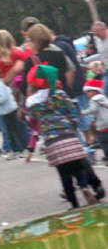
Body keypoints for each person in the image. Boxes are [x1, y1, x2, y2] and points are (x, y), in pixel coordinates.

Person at [26, 64, 96, 208]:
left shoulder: (33, 102)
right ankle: (84, 186)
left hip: (52, 140)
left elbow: (32, 119)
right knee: (79, 166)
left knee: (64, 173)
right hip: (68, 135)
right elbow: (73, 113)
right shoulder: (60, 95)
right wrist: (72, 126)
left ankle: (74, 203)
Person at [82, 78, 108, 165]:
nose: (87, 94)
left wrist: (83, 112)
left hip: (103, 125)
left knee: (104, 142)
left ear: (95, 91)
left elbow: (93, 110)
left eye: (88, 92)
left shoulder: (94, 99)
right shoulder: (103, 98)